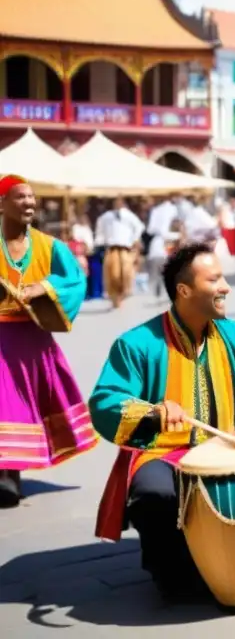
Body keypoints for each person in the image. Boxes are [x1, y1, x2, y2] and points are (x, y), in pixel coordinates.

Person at [90, 242, 235, 598]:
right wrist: (152, 412)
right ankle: (169, 570)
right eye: (215, 280)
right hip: (162, 453)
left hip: (228, 446)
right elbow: (105, 402)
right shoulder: (136, 344)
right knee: (154, 492)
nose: (226, 287)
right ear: (184, 290)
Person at [0, 175, 98, 508]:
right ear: (2, 204)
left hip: (33, 341)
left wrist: (45, 287)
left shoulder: (50, 246)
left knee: (25, 408)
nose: (29, 202)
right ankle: (6, 474)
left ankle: (11, 472)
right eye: (19, 197)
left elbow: (75, 281)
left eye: (31, 197)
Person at [96, 197, 145, 309]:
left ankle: (124, 292)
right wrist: (100, 241)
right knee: (112, 274)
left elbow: (139, 227)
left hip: (125, 248)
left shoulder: (129, 216)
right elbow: (100, 229)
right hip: (112, 248)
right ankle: (114, 295)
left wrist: (134, 240)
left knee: (126, 272)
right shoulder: (106, 216)